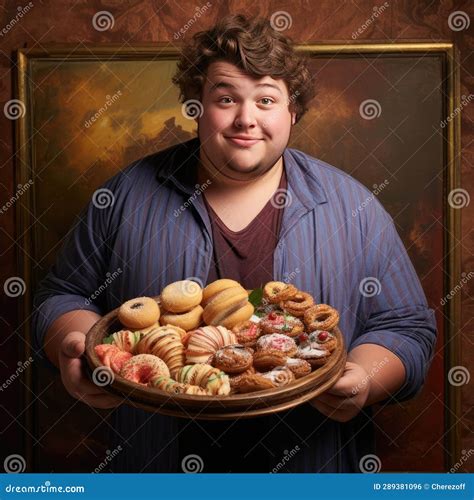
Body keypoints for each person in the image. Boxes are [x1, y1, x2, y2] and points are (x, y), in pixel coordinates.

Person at [32, 14, 437, 472]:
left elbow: (407, 327)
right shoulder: (123, 197)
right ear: (196, 107)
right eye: (226, 98)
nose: (247, 118)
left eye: (266, 99)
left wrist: (364, 377)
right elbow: (62, 295)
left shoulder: (354, 208)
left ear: (293, 111)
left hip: (313, 464)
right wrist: (74, 346)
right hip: (156, 464)